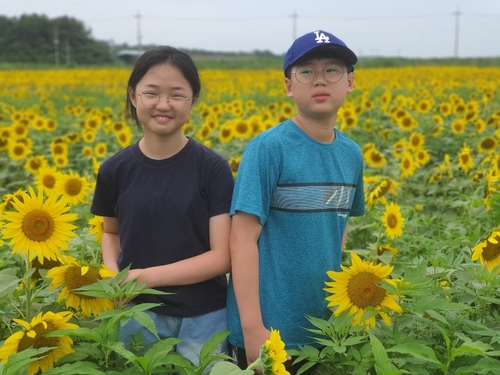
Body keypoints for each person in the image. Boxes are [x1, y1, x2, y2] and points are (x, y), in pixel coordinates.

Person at [226, 30, 365, 373]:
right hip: (268, 328)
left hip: (323, 327)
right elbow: (241, 240)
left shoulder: (351, 154)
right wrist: (253, 329)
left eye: (332, 70)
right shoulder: (268, 149)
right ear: (289, 85)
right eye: (306, 71)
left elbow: (339, 226)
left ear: (349, 82)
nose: (320, 79)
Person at [90, 46, 234, 366]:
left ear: (193, 100)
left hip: (204, 317)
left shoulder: (212, 169)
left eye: (177, 95)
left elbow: (221, 256)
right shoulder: (114, 170)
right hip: (136, 315)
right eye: (151, 93)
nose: (163, 104)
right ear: (132, 95)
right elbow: (110, 234)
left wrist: (142, 277)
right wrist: (115, 278)